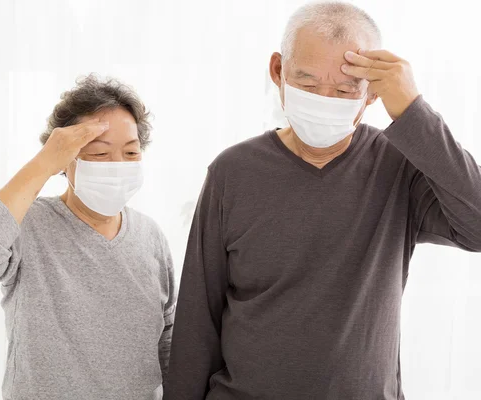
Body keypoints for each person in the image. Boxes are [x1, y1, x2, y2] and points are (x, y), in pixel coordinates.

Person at [164, 2, 481, 400]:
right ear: (278, 71)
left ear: (370, 94)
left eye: (346, 89)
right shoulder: (233, 172)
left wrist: (413, 112)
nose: (324, 100)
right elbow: (198, 320)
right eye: (308, 84)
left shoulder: (401, 167)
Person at [0, 75, 176, 400]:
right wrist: (43, 163)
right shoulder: (28, 224)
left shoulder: (150, 235)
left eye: (130, 152)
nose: (117, 165)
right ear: (65, 160)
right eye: (99, 154)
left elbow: (166, 336)